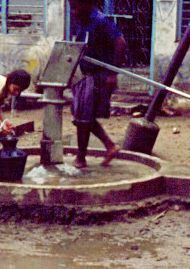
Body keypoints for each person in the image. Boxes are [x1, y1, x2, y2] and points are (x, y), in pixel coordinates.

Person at [69, 0, 127, 168]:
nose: (73, 11)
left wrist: (112, 73)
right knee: (81, 116)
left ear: (88, 4)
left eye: (76, 6)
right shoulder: (82, 21)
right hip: (85, 75)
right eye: (72, 7)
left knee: (83, 118)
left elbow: (120, 43)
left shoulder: (101, 21)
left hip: (97, 76)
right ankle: (110, 146)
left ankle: (81, 157)